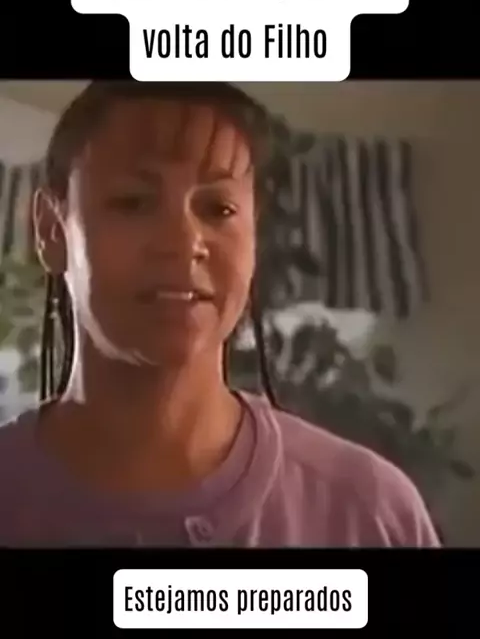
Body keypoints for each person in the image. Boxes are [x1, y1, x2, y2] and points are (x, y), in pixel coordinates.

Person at [0, 80, 440, 548]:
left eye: (218, 208)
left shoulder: (370, 512)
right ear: (51, 230)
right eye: (133, 202)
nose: (183, 241)